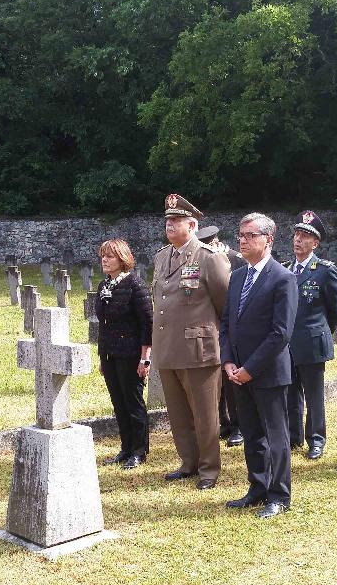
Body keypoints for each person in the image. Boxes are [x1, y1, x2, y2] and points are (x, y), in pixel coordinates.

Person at [220, 213, 298, 518]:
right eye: (241, 234)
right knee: (251, 433)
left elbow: (281, 332)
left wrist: (250, 368)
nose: (243, 240)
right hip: (237, 372)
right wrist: (228, 361)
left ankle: (278, 495)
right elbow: (227, 322)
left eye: (250, 235)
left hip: (267, 373)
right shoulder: (238, 275)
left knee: (275, 436)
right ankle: (257, 486)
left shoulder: (282, 278)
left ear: (268, 239)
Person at [151, 194, 230, 490]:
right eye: (168, 221)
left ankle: (209, 469)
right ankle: (188, 462)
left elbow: (225, 304)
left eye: (176, 221)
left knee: (205, 413)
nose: (170, 225)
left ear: (192, 224)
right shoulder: (162, 257)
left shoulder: (208, 257)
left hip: (199, 349)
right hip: (168, 348)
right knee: (178, 412)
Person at [287, 211, 337, 459]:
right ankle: (293, 436)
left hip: (312, 342)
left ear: (315, 243)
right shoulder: (285, 270)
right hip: (287, 345)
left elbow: (336, 310)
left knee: (314, 395)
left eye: (305, 236)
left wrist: (319, 330)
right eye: (297, 234)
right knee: (290, 392)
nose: (298, 240)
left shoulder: (324, 270)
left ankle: (316, 439)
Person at [96, 239, 153, 469]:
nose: (104, 260)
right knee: (118, 403)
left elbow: (147, 324)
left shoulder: (135, 285)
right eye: (102, 256)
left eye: (109, 256)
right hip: (110, 354)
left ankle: (139, 450)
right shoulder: (104, 286)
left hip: (130, 353)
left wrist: (145, 357)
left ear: (122, 259)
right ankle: (126, 447)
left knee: (133, 403)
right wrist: (102, 357)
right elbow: (104, 325)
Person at [197, 224, 245, 448]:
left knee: (231, 377)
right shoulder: (198, 259)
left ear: (216, 241)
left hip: (231, 326)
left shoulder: (235, 259)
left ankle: (238, 425)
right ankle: (223, 422)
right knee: (214, 379)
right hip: (207, 327)